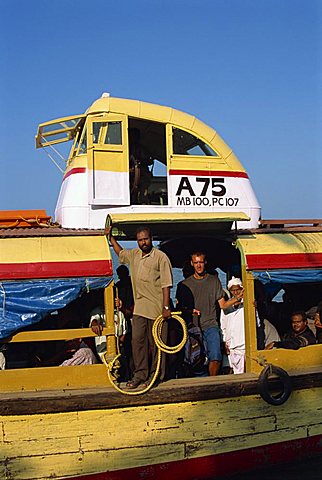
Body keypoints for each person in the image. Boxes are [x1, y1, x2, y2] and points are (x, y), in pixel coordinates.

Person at [105, 225, 173, 389]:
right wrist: (111, 238)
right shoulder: (134, 254)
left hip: (157, 309)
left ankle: (157, 376)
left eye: (146, 239)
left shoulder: (161, 257)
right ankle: (140, 375)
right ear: (137, 241)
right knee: (137, 342)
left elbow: (166, 284)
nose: (143, 242)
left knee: (158, 345)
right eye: (140, 240)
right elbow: (121, 253)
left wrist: (165, 307)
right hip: (140, 308)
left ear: (151, 238)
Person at [181, 252, 244, 376]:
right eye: (196, 262)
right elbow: (181, 308)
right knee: (193, 359)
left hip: (211, 325)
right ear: (192, 264)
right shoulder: (185, 284)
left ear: (205, 263)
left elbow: (223, 305)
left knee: (215, 356)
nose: (199, 265)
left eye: (201, 262)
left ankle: (212, 381)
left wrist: (239, 298)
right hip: (193, 328)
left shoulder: (214, 281)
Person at [220, 277, 246, 374]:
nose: (235, 292)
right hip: (232, 345)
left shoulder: (247, 304)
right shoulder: (226, 306)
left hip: (244, 343)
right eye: (233, 290)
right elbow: (223, 326)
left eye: (237, 290)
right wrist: (225, 342)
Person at [129, 128, 153, 204]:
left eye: (135, 136)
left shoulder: (141, 149)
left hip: (142, 174)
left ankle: (143, 203)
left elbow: (149, 161)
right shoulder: (126, 149)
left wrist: (141, 162)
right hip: (130, 175)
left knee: (142, 193)